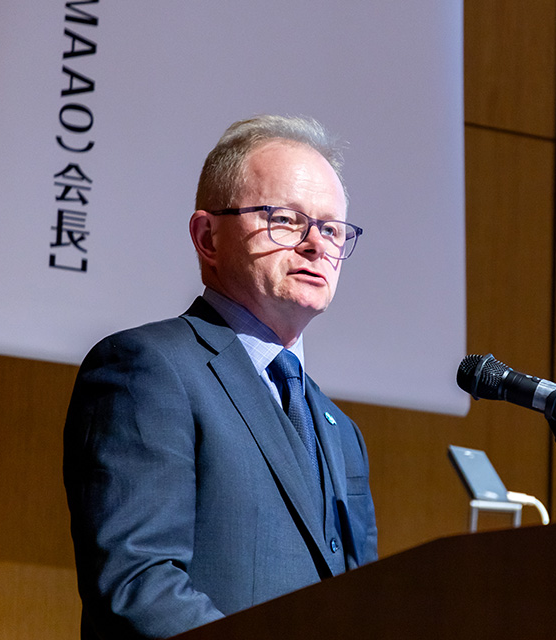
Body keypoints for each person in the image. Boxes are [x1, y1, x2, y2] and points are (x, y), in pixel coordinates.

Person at [63, 115, 378, 640]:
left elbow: (363, 604)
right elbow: (138, 588)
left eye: (331, 229)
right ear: (207, 236)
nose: (316, 245)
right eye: (286, 220)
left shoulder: (341, 432)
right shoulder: (146, 370)